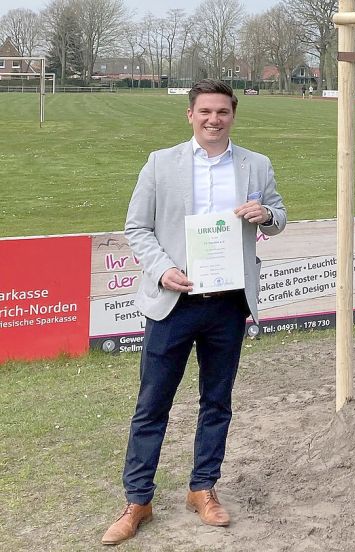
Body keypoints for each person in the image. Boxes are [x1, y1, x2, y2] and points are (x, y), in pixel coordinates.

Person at [101, 79, 286, 545]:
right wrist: (162, 270)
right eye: (205, 111)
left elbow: (280, 216)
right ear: (190, 115)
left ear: (233, 115)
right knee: (152, 406)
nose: (213, 120)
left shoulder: (255, 165)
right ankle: (137, 500)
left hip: (227, 305)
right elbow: (137, 227)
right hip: (173, 304)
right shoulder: (161, 163)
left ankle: (203, 489)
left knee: (217, 403)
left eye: (222, 112)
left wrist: (265, 214)